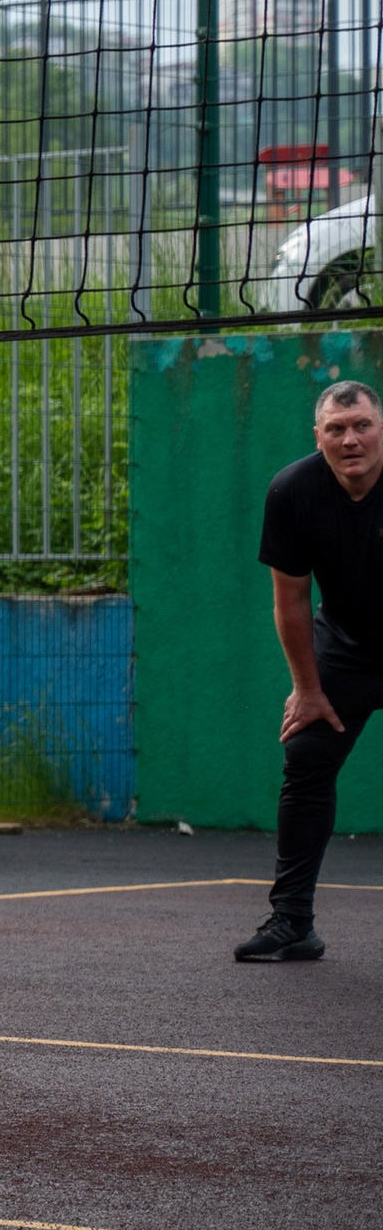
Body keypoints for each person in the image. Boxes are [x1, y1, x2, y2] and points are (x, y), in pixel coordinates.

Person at [239, 378, 383, 963]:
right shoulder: (293, 491)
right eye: (337, 429)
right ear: (318, 436)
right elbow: (292, 599)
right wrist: (307, 688)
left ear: (382, 428)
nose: (351, 440)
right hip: (344, 647)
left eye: (363, 425)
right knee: (305, 759)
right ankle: (292, 923)